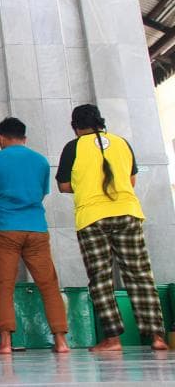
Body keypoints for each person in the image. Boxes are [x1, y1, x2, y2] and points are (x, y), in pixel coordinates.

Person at [56, 104, 167, 352]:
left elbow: (63, 186)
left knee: (101, 278)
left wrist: (86, 186)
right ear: (100, 122)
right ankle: (157, 337)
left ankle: (113, 339)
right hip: (128, 212)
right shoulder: (121, 143)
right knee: (140, 275)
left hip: (92, 218)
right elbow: (131, 180)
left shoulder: (73, 147)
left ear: (75, 127)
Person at [0, 117, 69, 355]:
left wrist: (1, 194)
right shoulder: (40, 161)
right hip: (36, 228)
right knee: (48, 284)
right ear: (24, 138)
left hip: (5, 228)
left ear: (1, 138)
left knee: (4, 285)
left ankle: (5, 342)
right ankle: (61, 341)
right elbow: (40, 193)